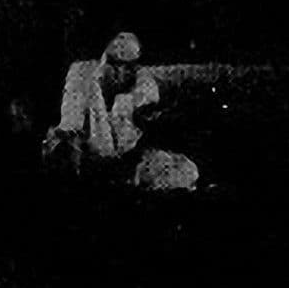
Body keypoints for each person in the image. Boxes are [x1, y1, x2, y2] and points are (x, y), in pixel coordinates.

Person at [44, 32, 198, 191]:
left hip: (128, 165)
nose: (120, 72)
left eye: (128, 67)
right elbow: (71, 122)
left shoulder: (145, 86)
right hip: (89, 164)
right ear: (104, 60)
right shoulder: (82, 76)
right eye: (114, 64)